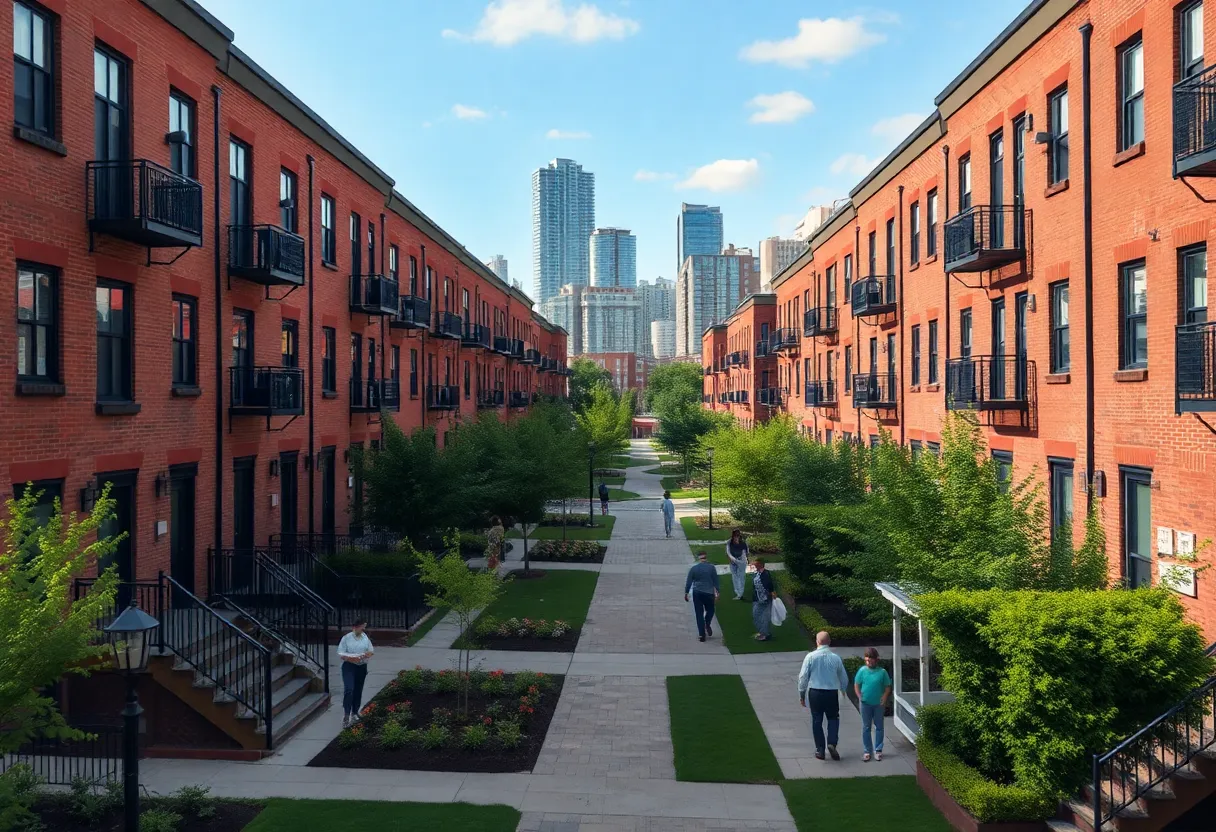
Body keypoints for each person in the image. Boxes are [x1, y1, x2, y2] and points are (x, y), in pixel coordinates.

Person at [797, 631, 850, 761]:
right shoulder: (836, 658)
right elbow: (844, 677)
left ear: (817, 641)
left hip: (815, 692)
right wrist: (843, 689)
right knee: (833, 718)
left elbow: (803, 677)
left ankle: (820, 750)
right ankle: (832, 742)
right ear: (829, 642)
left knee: (817, 720)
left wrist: (802, 694)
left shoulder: (810, 657)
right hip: (831, 692)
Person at [854, 646, 893, 762]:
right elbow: (857, 684)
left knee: (879, 727)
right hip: (865, 703)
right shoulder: (862, 671)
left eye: (870, 660)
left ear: (876, 659)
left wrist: (885, 697)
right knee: (866, 727)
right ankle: (867, 751)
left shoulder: (882, 672)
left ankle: (878, 750)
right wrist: (859, 696)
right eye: (866, 660)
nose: (868, 662)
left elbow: (887, 687)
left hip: (878, 704)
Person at [338, 619, 374, 727]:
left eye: (364, 627)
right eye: (362, 626)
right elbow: (341, 653)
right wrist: (350, 659)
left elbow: (371, 650)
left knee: (358, 689)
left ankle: (354, 712)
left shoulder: (365, 638)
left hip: (361, 666)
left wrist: (365, 655)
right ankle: (346, 714)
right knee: (349, 689)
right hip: (349, 666)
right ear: (355, 627)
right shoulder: (346, 638)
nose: (363, 629)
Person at [684, 551, 720, 642]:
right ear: (706, 557)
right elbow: (716, 581)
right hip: (709, 593)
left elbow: (689, 582)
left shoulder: (694, 569)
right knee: (711, 610)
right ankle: (707, 623)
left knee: (699, 614)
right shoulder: (711, 568)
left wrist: (686, 593)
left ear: (699, 558)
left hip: (697, 592)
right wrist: (717, 592)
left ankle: (701, 635)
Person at [751, 558, 775, 641]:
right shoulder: (757, 573)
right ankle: (763, 632)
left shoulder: (765, 574)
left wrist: (770, 593)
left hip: (764, 600)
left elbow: (769, 585)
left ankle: (765, 634)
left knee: (762, 616)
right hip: (757, 598)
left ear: (761, 564)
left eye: (756, 564)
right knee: (757, 615)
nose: (755, 565)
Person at [726, 528, 750, 600]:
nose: (737, 537)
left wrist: (743, 561)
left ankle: (740, 594)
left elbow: (746, 554)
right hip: (733, 561)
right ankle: (738, 593)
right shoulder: (729, 542)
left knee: (741, 577)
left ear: (740, 536)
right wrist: (732, 560)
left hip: (741, 561)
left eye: (738, 536)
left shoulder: (743, 543)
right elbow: (728, 553)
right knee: (735, 577)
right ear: (733, 536)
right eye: (735, 536)